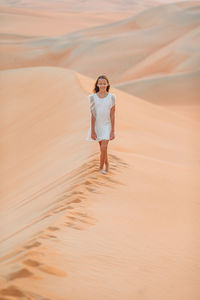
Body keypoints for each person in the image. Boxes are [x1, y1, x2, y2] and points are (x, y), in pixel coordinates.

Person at [86, 75, 116, 174]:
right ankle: (107, 164)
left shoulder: (112, 97)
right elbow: (93, 115)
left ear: (107, 84)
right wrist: (93, 130)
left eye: (104, 83)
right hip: (97, 125)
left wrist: (112, 131)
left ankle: (101, 168)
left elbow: (112, 114)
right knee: (102, 149)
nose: (102, 85)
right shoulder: (92, 97)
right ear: (97, 85)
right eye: (100, 83)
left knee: (104, 147)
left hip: (107, 125)